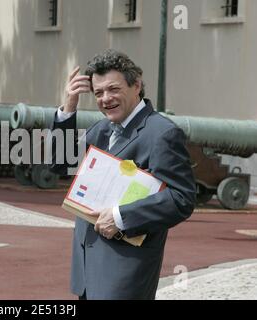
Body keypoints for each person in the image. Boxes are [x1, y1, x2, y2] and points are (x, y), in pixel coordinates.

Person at [52, 49, 196, 300]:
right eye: (98, 93)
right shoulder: (102, 129)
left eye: (113, 89)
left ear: (137, 84)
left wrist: (120, 217)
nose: (105, 99)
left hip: (126, 271)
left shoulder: (162, 133)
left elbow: (182, 199)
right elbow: (62, 165)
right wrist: (68, 107)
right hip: (88, 268)